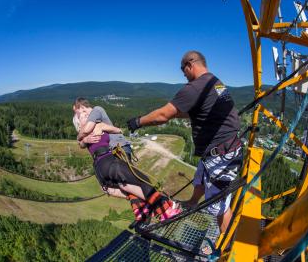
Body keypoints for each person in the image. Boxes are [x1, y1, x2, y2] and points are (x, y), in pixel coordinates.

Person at [127, 50, 243, 234]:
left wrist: (138, 121)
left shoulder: (196, 87)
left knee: (220, 206)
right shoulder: (216, 83)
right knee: (200, 177)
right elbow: (195, 110)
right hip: (223, 149)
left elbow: (163, 115)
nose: (185, 77)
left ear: (190, 65)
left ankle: (226, 248)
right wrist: (175, 112)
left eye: (184, 72)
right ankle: (192, 202)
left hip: (221, 155)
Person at [73, 103, 181, 222]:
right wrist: (86, 136)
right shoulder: (91, 129)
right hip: (109, 161)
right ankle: (164, 209)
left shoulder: (86, 134)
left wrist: (85, 136)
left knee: (127, 185)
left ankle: (141, 209)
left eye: (87, 114)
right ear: (79, 124)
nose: (88, 116)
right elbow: (113, 131)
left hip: (100, 170)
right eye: (83, 116)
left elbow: (115, 131)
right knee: (141, 179)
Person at [74, 97, 133, 162]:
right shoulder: (93, 120)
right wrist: (84, 140)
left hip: (120, 146)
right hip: (113, 150)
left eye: (83, 111)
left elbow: (86, 131)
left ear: (83, 107)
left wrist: (78, 137)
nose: (83, 114)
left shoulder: (96, 111)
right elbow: (81, 145)